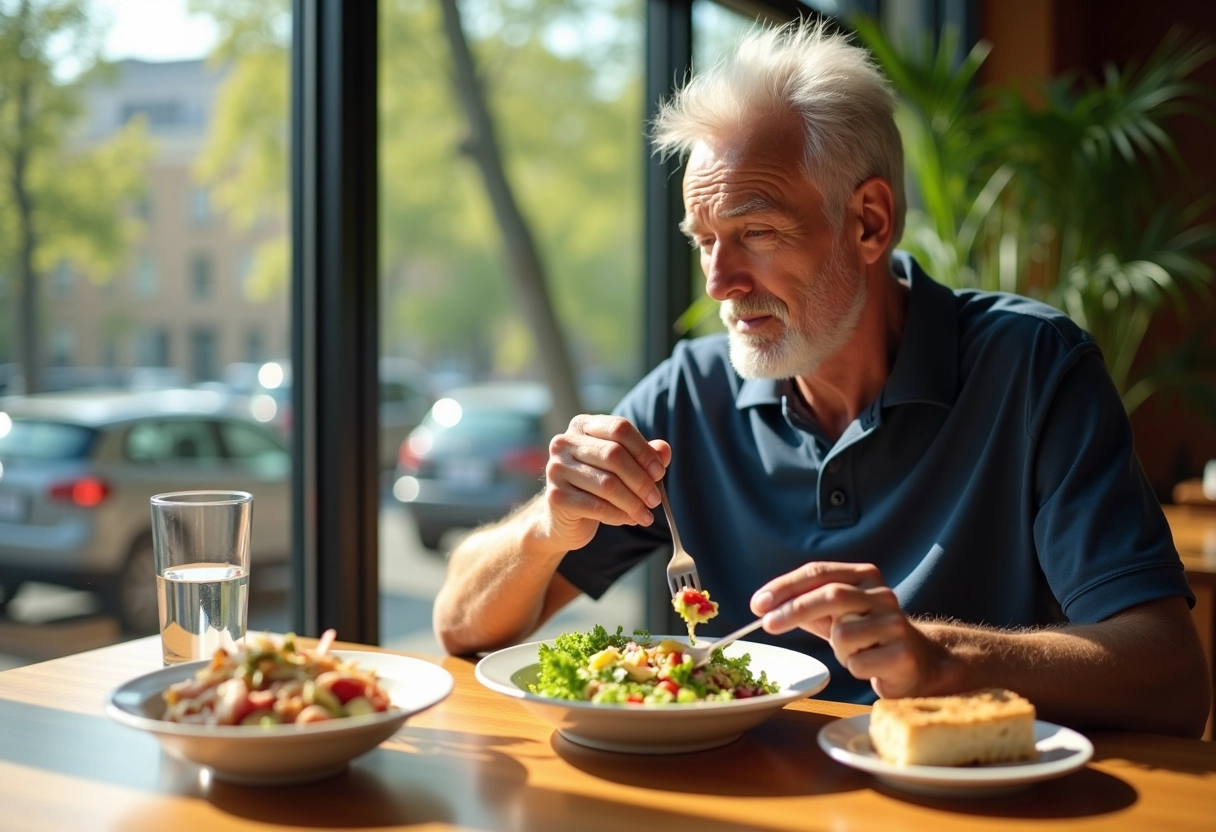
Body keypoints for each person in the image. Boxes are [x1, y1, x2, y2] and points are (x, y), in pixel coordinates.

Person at [433, 22, 1211, 736]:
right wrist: (547, 528)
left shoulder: (1034, 368)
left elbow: (1171, 679)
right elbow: (460, 626)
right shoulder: (689, 396)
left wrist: (940, 660)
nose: (720, 282)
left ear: (869, 221)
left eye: (756, 232)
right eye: (704, 240)